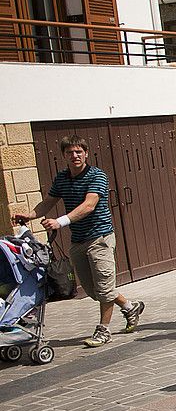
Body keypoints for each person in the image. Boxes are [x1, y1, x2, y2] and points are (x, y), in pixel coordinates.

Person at [14, 136, 145, 347]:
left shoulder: (97, 176)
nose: (75, 156)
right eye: (70, 153)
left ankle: (103, 331)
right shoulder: (62, 178)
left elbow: (89, 205)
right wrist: (29, 215)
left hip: (100, 238)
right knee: (93, 290)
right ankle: (130, 307)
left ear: (86, 153)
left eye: (78, 152)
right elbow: (49, 201)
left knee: (104, 288)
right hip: (78, 240)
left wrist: (60, 221)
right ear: (64, 155)